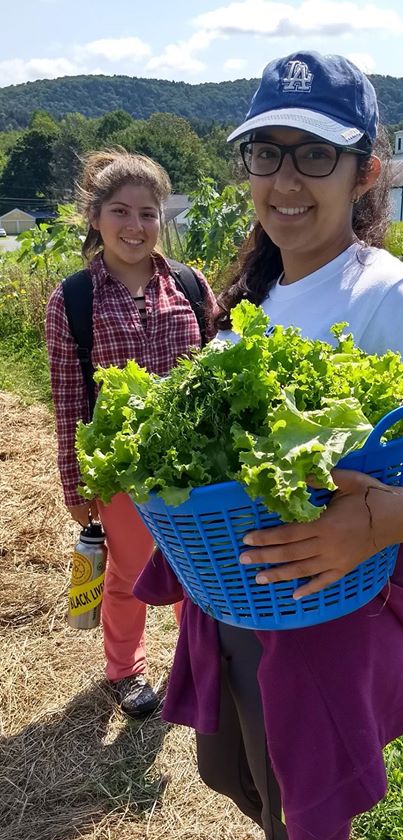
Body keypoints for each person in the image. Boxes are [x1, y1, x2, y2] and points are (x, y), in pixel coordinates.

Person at [135, 52, 403, 840]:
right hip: (239, 588)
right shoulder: (258, 291)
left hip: (325, 605)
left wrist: (371, 522)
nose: (285, 180)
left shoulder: (392, 298)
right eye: (266, 153)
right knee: (231, 762)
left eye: (315, 155)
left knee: (307, 790)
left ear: (365, 169)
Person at [46, 149, 216, 720]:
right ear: (96, 218)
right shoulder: (73, 299)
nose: (135, 226)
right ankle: (125, 669)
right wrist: (76, 485)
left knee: (199, 569)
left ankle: (200, 663)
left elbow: (218, 368)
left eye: (149, 213)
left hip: (194, 465)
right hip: (121, 470)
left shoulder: (191, 285)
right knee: (128, 573)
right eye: (120, 211)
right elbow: (70, 401)